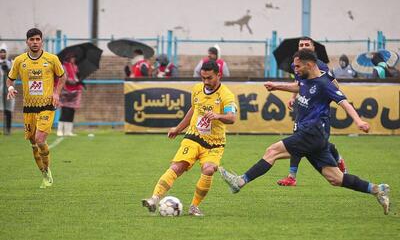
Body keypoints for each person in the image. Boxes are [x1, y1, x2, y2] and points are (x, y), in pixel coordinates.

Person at [219, 49, 390, 215]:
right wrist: (276, 86)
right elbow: (298, 86)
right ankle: (376, 189)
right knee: (335, 178)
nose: (295, 70)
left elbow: (343, 102)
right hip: (314, 137)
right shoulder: (305, 78)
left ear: (309, 65)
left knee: (272, 151)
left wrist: (359, 121)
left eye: (298, 66)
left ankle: (240, 181)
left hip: (312, 132)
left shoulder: (324, 84)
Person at [142, 60, 237, 216]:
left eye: (209, 78)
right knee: (177, 167)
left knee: (209, 169)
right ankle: (154, 199)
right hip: (193, 137)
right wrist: (178, 128)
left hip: (215, 144)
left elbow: (232, 118)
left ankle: (194, 207)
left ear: (219, 75)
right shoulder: (197, 89)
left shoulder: (226, 95)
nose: (206, 82)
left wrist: (218, 116)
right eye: (203, 78)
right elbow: (193, 110)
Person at [277, 36, 347, 187]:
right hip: (304, 109)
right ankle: (292, 176)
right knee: (298, 138)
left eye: (307, 44)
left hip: (318, 113)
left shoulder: (321, 66)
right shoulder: (296, 64)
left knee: (317, 143)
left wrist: (333, 93)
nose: (303, 46)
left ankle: (337, 159)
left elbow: (334, 84)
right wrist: (292, 97)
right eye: (301, 44)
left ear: (313, 48)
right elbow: (300, 83)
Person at [7, 28, 66, 188]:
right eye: (31, 39)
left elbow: (62, 76)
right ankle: (45, 174)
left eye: (37, 39)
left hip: (46, 106)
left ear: (42, 41)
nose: (34, 42)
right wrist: (10, 89)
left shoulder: (51, 59)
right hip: (29, 108)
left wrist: (56, 93)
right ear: (27, 41)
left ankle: (47, 169)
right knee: (33, 143)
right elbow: (10, 79)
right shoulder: (20, 61)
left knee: (40, 139)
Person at [57, 54, 83, 136]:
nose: (74, 59)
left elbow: (77, 76)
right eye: (72, 57)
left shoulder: (75, 66)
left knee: (72, 111)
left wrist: (79, 80)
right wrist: (73, 81)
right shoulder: (63, 67)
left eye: (74, 58)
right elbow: (64, 78)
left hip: (75, 91)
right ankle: (60, 130)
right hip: (65, 91)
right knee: (65, 110)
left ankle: (68, 131)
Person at [0, 45, 15, 135]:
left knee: (8, 110)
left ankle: (8, 129)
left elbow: (14, 75)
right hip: (0, 90)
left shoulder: (11, 62)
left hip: (8, 90)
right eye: (1, 52)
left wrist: (8, 70)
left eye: (4, 52)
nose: (2, 54)